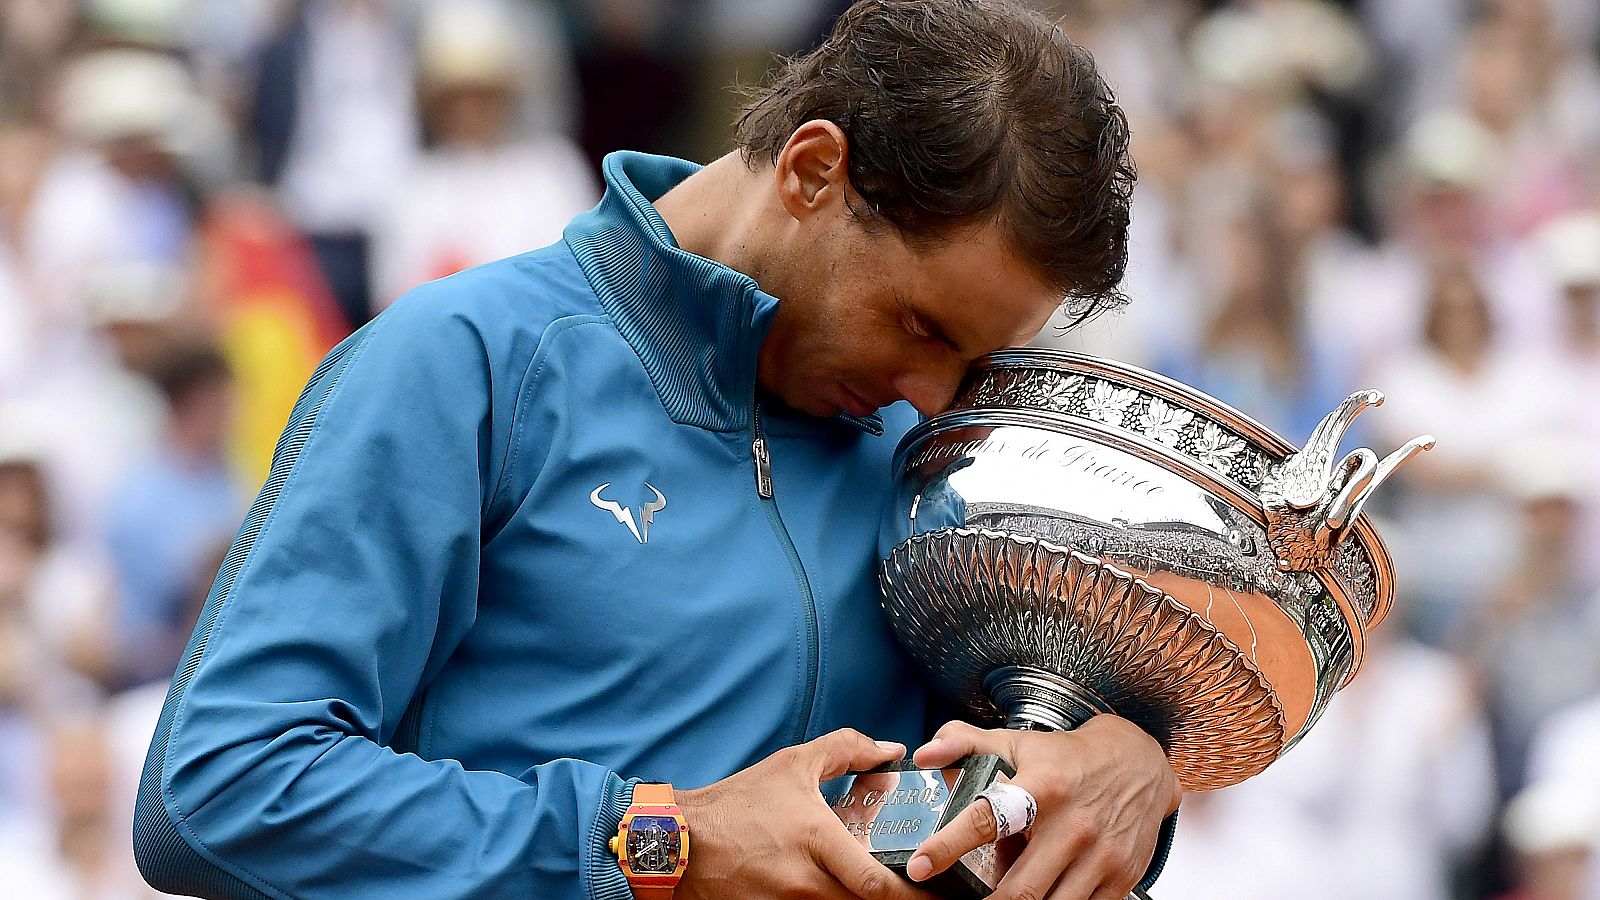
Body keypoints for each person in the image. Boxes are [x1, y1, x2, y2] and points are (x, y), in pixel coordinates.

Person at [133, 3, 1180, 899]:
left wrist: (1125, 765)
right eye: (919, 326)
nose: (934, 396)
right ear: (814, 171)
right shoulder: (469, 361)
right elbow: (219, 789)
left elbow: (938, 808)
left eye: (976, 356)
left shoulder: (929, 446)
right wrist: (660, 842)